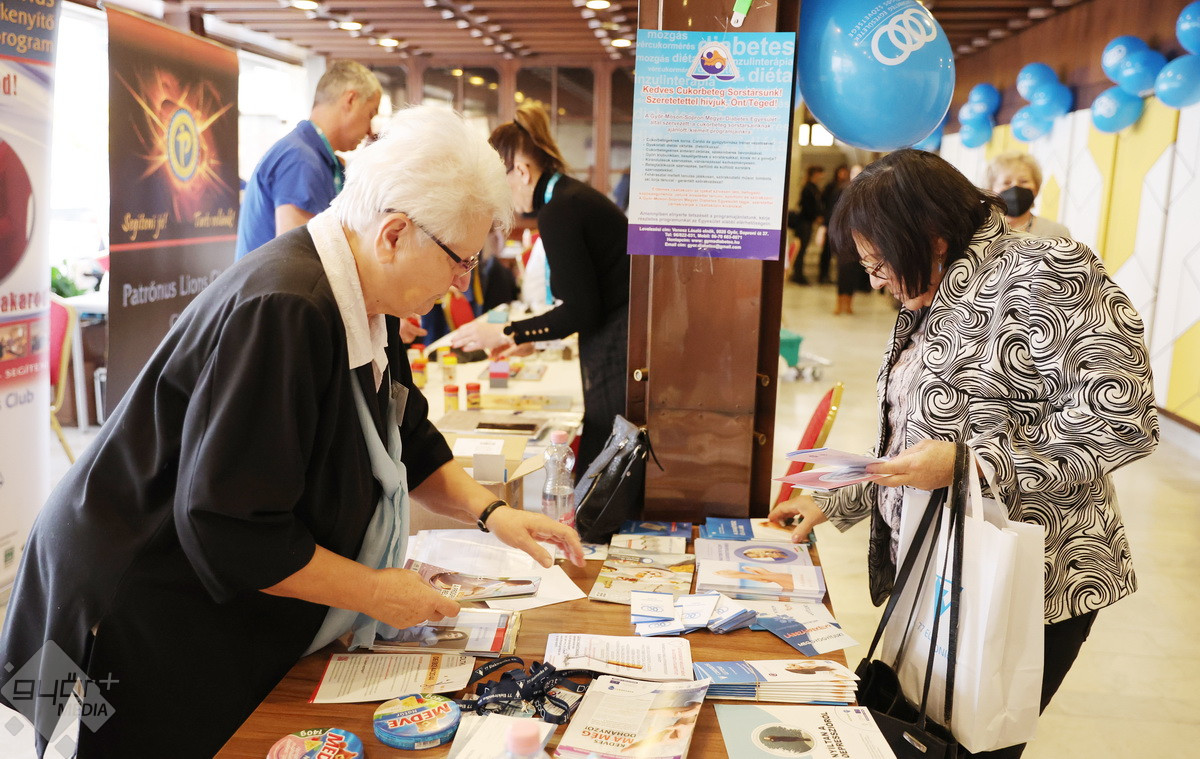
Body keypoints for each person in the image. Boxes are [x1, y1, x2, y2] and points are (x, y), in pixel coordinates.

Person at [0, 105, 585, 758]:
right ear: (394, 234)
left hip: (181, 587)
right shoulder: (288, 310)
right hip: (121, 596)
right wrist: (375, 592)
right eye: (459, 261)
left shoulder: (369, 297)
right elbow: (231, 526)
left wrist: (493, 513)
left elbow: (406, 431)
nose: (461, 284)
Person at [768, 149, 1158, 759]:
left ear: (931, 237)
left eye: (879, 264)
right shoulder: (936, 290)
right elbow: (914, 437)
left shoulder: (1048, 270)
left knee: (973, 747)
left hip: (1029, 580)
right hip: (942, 571)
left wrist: (972, 465)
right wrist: (838, 500)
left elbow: (1124, 420)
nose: (874, 283)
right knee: (919, 739)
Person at [448, 102, 630, 480]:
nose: (500, 195)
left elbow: (582, 310)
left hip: (618, 345)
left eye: (499, 182)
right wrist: (531, 339)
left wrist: (507, 332)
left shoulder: (560, 209)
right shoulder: (568, 198)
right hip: (617, 337)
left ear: (521, 171)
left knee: (604, 463)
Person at [235, 60, 382, 259]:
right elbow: (295, 258)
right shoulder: (300, 160)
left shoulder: (313, 156)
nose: (370, 131)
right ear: (351, 100)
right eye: (370, 114)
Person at [986, 151, 1072, 239]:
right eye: (1006, 182)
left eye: (1024, 181)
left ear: (1036, 188)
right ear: (991, 190)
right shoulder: (980, 230)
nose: (1015, 186)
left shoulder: (1058, 233)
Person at [787, 165, 825, 285]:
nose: (821, 176)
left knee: (802, 250)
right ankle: (797, 275)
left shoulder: (813, 187)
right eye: (819, 173)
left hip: (807, 222)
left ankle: (798, 274)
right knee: (800, 250)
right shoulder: (808, 188)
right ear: (814, 174)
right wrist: (816, 217)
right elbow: (807, 207)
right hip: (803, 223)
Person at [818, 164, 850, 285]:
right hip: (829, 221)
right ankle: (823, 275)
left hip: (838, 224)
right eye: (841, 172)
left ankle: (836, 277)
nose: (843, 174)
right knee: (826, 252)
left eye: (845, 172)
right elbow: (824, 202)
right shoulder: (831, 186)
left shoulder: (846, 186)